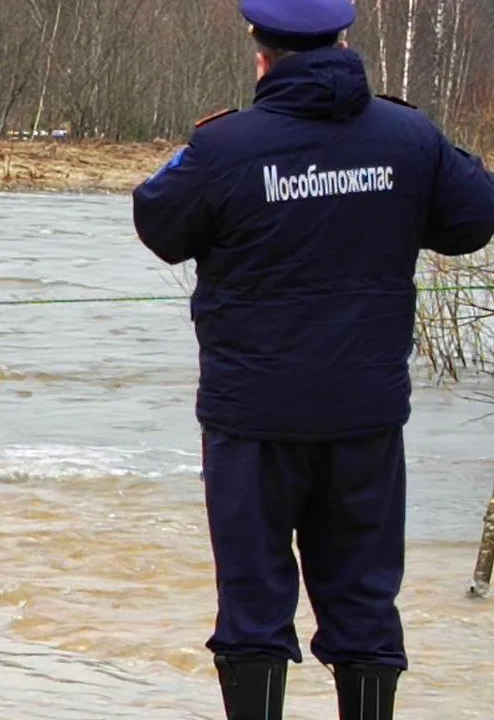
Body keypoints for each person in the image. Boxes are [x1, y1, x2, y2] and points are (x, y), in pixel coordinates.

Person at [130, 0, 494, 717]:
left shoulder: (225, 147)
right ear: (344, 38)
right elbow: (474, 217)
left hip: (253, 419)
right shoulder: (407, 135)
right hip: (364, 415)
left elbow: (159, 222)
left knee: (254, 603)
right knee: (364, 599)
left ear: (257, 45)